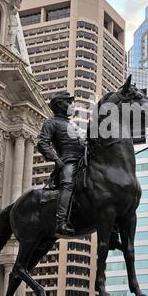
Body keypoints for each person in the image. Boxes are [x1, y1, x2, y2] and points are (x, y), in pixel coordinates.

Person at [37, 92, 85, 236]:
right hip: (68, 161)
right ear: (59, 104)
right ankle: (61, 221)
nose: (72, 105)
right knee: (68, 183)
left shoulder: (73, 124)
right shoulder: (51, 123)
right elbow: (42, 143)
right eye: (68, 102)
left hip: (83, 160)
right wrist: (56, 159)